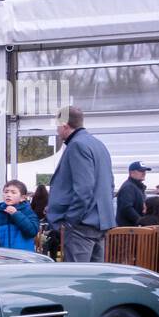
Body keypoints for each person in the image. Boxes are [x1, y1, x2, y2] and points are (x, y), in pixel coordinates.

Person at [45, 106, 115, 262]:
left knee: (78, 279)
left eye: (57, 126)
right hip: (99, 222)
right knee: (95, 279)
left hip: (82, 225)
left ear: (64, 125)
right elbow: (109, 185)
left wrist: (71, 219)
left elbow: (84, 189)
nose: (57, 131)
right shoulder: (98, 145)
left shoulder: (77, 145)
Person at [0, 180, 40, 249]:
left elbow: (32, 232)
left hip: (24, 257)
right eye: (6, 192)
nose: (8, 195)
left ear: (22, 198)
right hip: (3, 257)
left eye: (13, 192)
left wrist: (16, 214)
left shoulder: (28, 212)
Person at [115, 161, 150, 227]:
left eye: (145, 171)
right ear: (131, 172)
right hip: (128, 231)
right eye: (141, 171)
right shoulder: (128, 187)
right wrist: (141, 221)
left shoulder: (137, 187)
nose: (144, 173)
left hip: (133, 229)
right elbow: (126, 208)